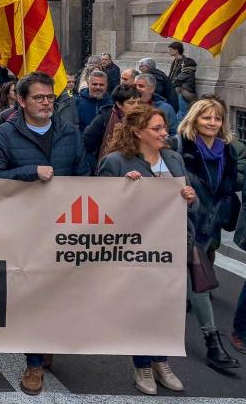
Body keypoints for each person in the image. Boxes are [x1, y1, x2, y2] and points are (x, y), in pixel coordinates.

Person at [0, 72, 90, 395]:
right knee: (31, 295)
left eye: (50, 98)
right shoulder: (3, 135)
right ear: (21, 101)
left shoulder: (70, 133)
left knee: (56, 293)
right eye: (39, 98)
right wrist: (31, 172)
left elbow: (84, 176)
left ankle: (46, 342)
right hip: (23, 228)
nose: (46, 103)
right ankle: (33, 364)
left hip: (61, 230)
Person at [97, 106, 192, 395]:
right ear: (138, 132)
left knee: (165, 306)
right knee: (140, 307)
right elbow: (99, 206)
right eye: (157, 128)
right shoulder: (116, 162)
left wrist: (190, 198)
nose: (165, 133)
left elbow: (187, 205)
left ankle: (162, 361)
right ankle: (143, 365)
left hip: (170, 248)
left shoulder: (173, 159)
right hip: (134, 250)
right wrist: (123, 191)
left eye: (165, 128)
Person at [177, 96, 241, 371]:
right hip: (180, 223)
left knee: (198, 282)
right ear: (195, 119)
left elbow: (228, 185)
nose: (212, 123)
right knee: (193, 283)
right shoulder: (180, 146)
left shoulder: (227, 151)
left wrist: (222, 211)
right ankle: (212, 342)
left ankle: (211, 343)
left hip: (209, 226)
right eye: (206, 117)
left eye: (216, 118)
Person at [83, 84, 141, 162]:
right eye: (131, 103)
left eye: (139, 102)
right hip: (111, 167)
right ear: (119, 104)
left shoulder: (145, 119)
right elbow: (87, 145)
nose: (137, 106)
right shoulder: (104, 118)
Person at [168, 42, 197, 122]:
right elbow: (171, 76)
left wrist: (171, 83)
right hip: (175, 91)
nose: (169, 51)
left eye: (171, 49)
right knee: (176, 112)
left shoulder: (187, 62)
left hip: (183, 91)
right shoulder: (175, 62)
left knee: (182, 114)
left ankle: (180, 133)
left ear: (176, 50)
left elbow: (182, 77)